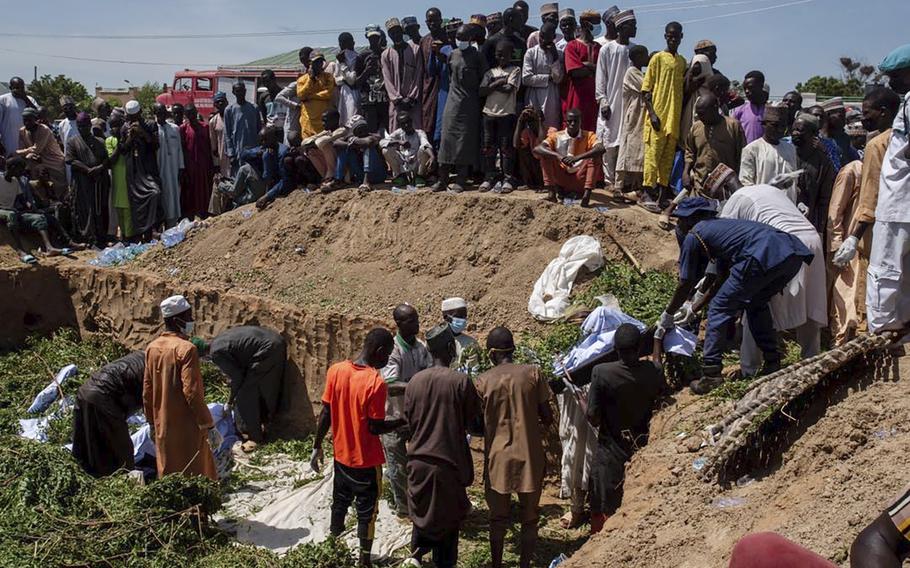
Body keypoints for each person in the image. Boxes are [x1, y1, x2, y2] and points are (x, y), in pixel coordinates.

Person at [655, 198, 813, 394]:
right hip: (790, 254)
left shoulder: (695, 234)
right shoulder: (722, 230)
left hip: (761, 254)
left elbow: (685, 282)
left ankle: (711, 373)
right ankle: (773, 361)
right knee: (756, 303)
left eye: (682, 220)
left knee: (719, 309)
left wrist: (668, 314)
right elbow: (721, 279)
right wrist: (693, 308)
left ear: (692, 219)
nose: (679, 224)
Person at [310, 327, 402, 568]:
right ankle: (364, 560)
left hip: (341, 456)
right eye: (388, 355)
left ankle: (333, 547)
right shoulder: (375, 382)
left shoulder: (336, 371)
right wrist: (402, 423)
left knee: (339, 502)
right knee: (367, 512)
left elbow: (326, 413)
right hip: (366, 461)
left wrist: (316, 446)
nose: (387, 360)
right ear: (380, 351)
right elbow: (375, 427)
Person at [720, 177, 827, 376]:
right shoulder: (769, 190)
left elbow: (726, 244)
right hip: (812, 238)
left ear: (725, 190)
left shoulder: (735, 199)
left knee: (757, 303)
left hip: (784, 242)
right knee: (811, 301)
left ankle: (749, 368)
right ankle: (811, 359)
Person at [401, 324, 481, 568]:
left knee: (422, 516)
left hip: (417, 464)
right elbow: (475, 425)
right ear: (450, 348)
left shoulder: (414, 382)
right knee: (448, 525)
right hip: (447, 464)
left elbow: (409, 424)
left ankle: (414, 556)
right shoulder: (460, 381)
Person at [474, 326, 553, 568]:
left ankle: (497, 564)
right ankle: (525, 565)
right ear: (513, 349)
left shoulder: (482, 382)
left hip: (498, 460)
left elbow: (477, 425)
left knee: (498, 518)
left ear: (492, 353)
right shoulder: (533, 374)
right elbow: (547, 417)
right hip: (530, 457)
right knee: (529, 518)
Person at [831, 87, 902, 337]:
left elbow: (870, 197)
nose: (864, 118)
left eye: (867, 113)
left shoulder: (877, 145)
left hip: (880, 229)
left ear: (883, 113)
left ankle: (869, 334)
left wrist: (854, 236)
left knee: (872, 287)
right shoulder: (903, 140)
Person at [587, 324, 665, 533]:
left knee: (603, 506)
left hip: (610, 451)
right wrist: (657, 341)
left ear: (616, 349)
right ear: (639, 348)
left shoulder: (602, 373)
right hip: (641, 449)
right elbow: (658, 367)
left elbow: (592, 418)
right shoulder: (653, 372)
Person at [143, 295, 217, 480]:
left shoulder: (152, 348)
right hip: (187, 425)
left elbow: (147, 390)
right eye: (189, 316)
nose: (191, 321)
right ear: (177, 320)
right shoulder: (186, 349)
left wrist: (152, 422)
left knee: (170, 472)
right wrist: (208, 424)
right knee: (196, 470)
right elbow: (191, 392)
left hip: (163, 423)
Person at [865, 44, 910, 335]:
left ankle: (882, 330)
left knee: (885, 267)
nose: (890, 82)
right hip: (901, 200)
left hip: (899, 201)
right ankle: (901, 324)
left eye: (895, 76)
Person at [380, 303, 432, 516]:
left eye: (417, 318)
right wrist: (418, 384)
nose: (417, 323)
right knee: (398, 466)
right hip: (394, 417)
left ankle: (415, 501)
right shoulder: (393, 350)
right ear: (399, 324)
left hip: (416, 416)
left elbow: (429, 371)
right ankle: (404, 509)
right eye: (411, 320)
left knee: (416, 463)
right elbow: (390, 385)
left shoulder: (420, 347)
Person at [207, 326, 286, 451]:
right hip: (275, 340)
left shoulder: (215, 354)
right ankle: (267, 421)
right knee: (262, 386)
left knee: (245, 395)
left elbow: (238, 377)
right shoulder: (218, 341)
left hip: (267, 349)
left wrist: (230, 400)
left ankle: (255, 437)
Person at [71, 351, 145, 477]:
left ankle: (84, 478)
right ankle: (126, 487)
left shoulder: (143, 357)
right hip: (103, 397)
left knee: (87, 444)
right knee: (121, 451)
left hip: (85, 392)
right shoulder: (155, 370)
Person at [433, 24, 487, 193]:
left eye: (464, 38)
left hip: (469, 104)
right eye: (458, 37)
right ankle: (442, 180)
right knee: (446, 141)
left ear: (470, 39)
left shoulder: (477, 57)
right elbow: (449, 76)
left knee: (464, 142)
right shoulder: (452, 55)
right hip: (452, 102)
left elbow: (485, 78)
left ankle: (461, 180)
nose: (460, 40)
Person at [642, 22, 687, 208]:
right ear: (665, 36)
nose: (673, 38)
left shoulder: (683, 61)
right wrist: (652, 113)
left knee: (667, 158)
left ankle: (661, 196)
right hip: (658, 115)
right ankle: (646, 193)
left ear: (681, 37)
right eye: (670, 35)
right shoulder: (657, 58)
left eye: (676, 35)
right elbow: (646, 89)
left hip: (673, 117)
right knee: (653, 155)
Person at [594, 9, 636, 189]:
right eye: (632, 25)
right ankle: (609, 181)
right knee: (609, 142)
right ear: (621, 27)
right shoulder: (607, 49)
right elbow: (601, 77)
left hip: (628, 103)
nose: (635, 28)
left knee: (625, 142)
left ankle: (622, 182)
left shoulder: (634, 50)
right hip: (610, 101)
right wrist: (602, 100)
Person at [827, 152, 864, 345]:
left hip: (869, 246)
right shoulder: (852, 171)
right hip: (849, 246)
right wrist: (837, 245)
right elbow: (836, 211)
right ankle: (840, 342)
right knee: (845, 295)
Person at [535, 107, 605, 207]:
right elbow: (538, 149)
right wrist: (559, 156)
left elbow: (601, 149)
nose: (572, 124)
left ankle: (586, 197)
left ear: (581, 121)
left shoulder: (589, 135)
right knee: (546, 155)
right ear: (565, 122)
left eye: (575, 121)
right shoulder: (556, 136)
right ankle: (551, 194)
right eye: (569, 121)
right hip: (561, 178)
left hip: (580, 179)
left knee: (595, 156)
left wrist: (578, 158)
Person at [0, 156, 65, 262]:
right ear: (12, 167)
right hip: (3, 211)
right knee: (11, 215)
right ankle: (21, 251)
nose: (22, 172)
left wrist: (32, 208)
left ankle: (49, 247)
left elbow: (21, 199)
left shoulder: (16, 182)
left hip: (11, 210)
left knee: (39, 218)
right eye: (20, 169)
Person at [681, 93, 746, 196]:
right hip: (699, 187)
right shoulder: (696, 127)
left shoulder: (733, 126)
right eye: (698, 114)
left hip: (725, 189)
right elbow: (690, 152)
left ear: (714, 108)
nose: (700, 117)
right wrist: (685, 173)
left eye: (702, 113)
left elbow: (742, 156)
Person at [479, 39, 521, 192]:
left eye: (504, 55)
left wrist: (492, 84)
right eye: (498, 55)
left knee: (506, 148)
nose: (501, 58)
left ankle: (508, 178)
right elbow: (482, 90)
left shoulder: (515, 70)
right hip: (489, 113)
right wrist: (498, 83)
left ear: (511, 55)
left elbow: (509, 88)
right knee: (488, 147)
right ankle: (489, 177)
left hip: (506, 113)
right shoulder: (490, 72)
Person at [65, 112, 110, 246]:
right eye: (79, 126)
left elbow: (107, 160)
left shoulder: (100, 141)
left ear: (89, 125)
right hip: (82, 181)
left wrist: (99, 168)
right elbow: (70, 160)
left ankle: (100, 237)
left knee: (99, 208)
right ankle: (87, 238)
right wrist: (87, 170)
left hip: (98, 181)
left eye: (85, 125)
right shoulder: (73, 141)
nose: (82, 128)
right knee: (84, 209)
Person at [120, 100, 162, 240]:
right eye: (131, 117)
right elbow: (123, 150)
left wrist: (143, 133)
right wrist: (130, 138)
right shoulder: (124, 128)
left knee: (154, 193)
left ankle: (152, 229)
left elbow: (156, 145)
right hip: (134, 170)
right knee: (136, 202)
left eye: (135, 117)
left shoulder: (150, 125)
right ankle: (140, 234)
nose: (133, 120)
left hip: (148, 168)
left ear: (140, 113)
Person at [791, 113, 836, 235]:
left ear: (813, 134)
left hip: (809, 225)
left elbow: (824, 199)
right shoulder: (786, 154)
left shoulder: (823, 162)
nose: (795, 133)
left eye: (800, 130)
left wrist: (820, 231)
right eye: (794, 129)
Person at [615, 45, 650, 202]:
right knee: (628, 148)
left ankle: (634, 187)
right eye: (645, 55)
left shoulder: (638, 72)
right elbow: (647, 87)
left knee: (638, 151)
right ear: (637, 58)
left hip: (641, 117)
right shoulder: (632, 73)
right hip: (633, 116)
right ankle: (618, 186)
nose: (647, 58)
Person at [739, 105, 797, 187]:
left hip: (786, 199)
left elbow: (793, 180)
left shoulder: (790, 148)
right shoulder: (751, 149)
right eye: (775, 125)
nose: (780, 129)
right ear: (764, 124)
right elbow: (746, 182)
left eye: (783, 126)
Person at [382, 19, 423, 133]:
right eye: (392, 33)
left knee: (416, 131)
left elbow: (418, 75)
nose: (395, 35)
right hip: (397, 103)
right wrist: (397, 100)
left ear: (402, 31)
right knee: (396, 132)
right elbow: (387, 79)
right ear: (389, 35)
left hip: (412, 102)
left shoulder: (415, 49)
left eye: (397, 31)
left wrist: (411, 98)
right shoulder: (386, 54)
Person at [563, 10, 601, 132]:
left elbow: (604, 71)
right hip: (577, 96)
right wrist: (594, 68)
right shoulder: (572, 46)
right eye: (595, 23)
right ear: (585, 24)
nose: (598, 27)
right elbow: (575, 71)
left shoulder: (599, 47)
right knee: (576, 129)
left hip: (596, 97)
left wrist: (587, 65)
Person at [522, 22, 564, 131]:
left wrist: (554, 57)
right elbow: (526, 79)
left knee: (551, 130)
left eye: (547, 38)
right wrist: (549, 78)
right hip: (534, 96)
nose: (543, 41)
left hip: (551, 97)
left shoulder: (558, 54)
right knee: (533, 130)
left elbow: (558, 78)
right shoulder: (531, 53)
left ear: (553, 38)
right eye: (541, 37)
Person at [232, 126, 289, 207]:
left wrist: (268, 196)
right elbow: (243, 154)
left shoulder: (282, 153)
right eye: (261, 140)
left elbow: (284, 180)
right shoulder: (265, 149)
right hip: (264, 181)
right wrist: (257, 153)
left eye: (265, 139)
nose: (262, 142)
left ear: (274, 138)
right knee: (244, 169)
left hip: (275, 186)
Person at [17, 107, 67, 196]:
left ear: (36, 120)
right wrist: (27, 153)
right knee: (38, 188)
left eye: (29, 120)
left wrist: (24, 152)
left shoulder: (44, 129)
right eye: (25, 120)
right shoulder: (22, 131)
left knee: (60, 190)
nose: (27, 123)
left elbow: (36, 149)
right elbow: (20, 149)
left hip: (53, 161)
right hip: (35, 162)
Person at [178, 104, 214, 221]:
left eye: (193, 113)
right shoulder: (183, 129)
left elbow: (210, 147)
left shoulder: (205, 127)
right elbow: (182, 149)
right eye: (188, 114)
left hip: (203, 167)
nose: (191, 116)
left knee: (203, 192)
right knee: (190, 194)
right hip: (190, 167)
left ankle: (203, 215)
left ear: (196, 113)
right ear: (186, 115)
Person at [381, 111, 434, 187]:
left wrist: (432, 156)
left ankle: (419, 176)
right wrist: (398, 142)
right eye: (403, 124)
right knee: (385, 150)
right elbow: (382, 142)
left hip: (416, 163)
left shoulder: (419, 133)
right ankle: (400, 176)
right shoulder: (398, 133)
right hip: (403, 164)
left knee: (424, 150)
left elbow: (425, 144)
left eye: (408, 122)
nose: (406, 125)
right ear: (400, 125)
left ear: (411, 121)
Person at [153, 103, 184, 228]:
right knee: (161, 199)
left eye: (162, 112)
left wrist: (181, 168)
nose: (161, 115)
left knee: (173, 199)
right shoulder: (153, 130)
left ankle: (171, 227)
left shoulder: (175, 128)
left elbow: (180, 150)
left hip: (173, 171)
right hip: (159, 171)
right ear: (155, 113)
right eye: (158, 112)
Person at [302, 109, 348, 191]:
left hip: (343, 168)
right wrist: (313, 142)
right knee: (310, 151)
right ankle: (326, 177)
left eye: (325, 121)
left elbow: (321, 142)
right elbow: (304, 143)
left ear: (335, 120)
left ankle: (334, 178)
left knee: (326, 145)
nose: (323, 124)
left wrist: (314, 142)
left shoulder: (342, 130)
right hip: (331, 165)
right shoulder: (327, 132)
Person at [357, 25, 391, 136]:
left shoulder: (387, 53)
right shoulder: (362, 56)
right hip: (369, 102)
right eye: (371, 38)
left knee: (390, 132)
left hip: (386, 100)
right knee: (372, 133)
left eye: (376, 37)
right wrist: (367, 71)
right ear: (366, 37)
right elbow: (356, 83)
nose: (374, 40)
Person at [105, 111, 134, 240]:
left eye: (117, 125)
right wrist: (120, 142)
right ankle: (123, 234)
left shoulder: (129, 138)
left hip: (128, 178)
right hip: (117, 179)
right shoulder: (109, 141)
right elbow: (112, 159)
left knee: (128, 208)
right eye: (111, 126)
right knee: (119, 208)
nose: (114, 129)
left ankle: (129, 235)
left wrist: (125, 139)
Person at [420, 8, 447, 142]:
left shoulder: (448, 38)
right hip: (429, 88)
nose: (432, 24)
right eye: (429, 21)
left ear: (441, 20)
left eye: (435, 20)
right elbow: (422, 69)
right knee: (428, 124)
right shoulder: (424, 41)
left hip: (445, 88)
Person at [224, 81, 262, 177]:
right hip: (237, 150)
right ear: (233, 92)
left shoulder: (254, 108)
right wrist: (231, 153)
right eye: (237, 91)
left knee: (253, 177)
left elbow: (259, 130)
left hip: (253, 150)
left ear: (245, 91)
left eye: (242, 90)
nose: (240, 93)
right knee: (238, 178)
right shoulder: (229, 110)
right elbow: (227, 133)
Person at [297, 52, 335, 140]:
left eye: (321, 62)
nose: (319, 64)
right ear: (310, 63)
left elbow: (328, 93)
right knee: (309, 148)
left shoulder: (328, 77)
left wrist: (311, 96)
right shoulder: (302, 79)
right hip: (308, 120)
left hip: (323, 122)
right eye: (316, 62)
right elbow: (301, 95)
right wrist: (311, 79)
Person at [208, 93, 233, 215]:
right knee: (219, 186)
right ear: (215, 105)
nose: (220, 104)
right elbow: (213, 146)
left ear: (227, 102)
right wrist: (216, 164)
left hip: (233, 158)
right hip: (221, 159)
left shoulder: (233, 117)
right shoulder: (213, 122)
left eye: (222, 101)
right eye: (218, 102)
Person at [0, 77, 37, 157]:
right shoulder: (3, 100)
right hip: (8, 141)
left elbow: (38, 115)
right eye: (17, 88)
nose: (20, 90)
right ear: (10, 88)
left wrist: (25, 98)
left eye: (22, 87)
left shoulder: (30, 99)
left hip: (28, 143)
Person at [820, 96, 861, 166]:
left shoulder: (844, 138)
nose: (844, 119)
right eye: (840, 116)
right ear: (828, 115)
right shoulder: (819, 139)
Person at [440, 297, 478, 372]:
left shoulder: (471, 343)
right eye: (459, 316)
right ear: (446, 318)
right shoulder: (436, 342)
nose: (463, 320)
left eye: (464, 316)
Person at [514, 106, 547, 190]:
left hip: (548, 171)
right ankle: (529, 183)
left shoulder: (551, 131)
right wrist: (520, 121)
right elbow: (516, 145)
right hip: (535, 169)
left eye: (533, 120)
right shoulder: (528, 132)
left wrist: (539, 120)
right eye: (529, 121)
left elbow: (542, 142)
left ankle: (544, 184)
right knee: (523, 151)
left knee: (543, 154)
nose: (531, 123)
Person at [334, 33, 362, 126]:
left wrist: (343, 63)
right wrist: (344, 79)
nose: (342, 46)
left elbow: (352, 80)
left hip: (354, 92)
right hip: (343, 92)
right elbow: (336, 80)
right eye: (341, 43)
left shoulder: (357, 58)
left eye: (345, 43)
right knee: (343, 121)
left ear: (353, 43)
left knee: (353, 119)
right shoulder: (339, 58)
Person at [732, 70, 767, 144]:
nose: (747, 91)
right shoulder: (739, 111)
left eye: (750, 87)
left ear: (761, 86)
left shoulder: (770, 110)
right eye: (745, 88)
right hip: (746, 153)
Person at [806, 104, 843, 172]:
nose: (819, 118)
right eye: (815, 115)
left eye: (821, 116)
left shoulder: (829, 144)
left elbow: (836, 168)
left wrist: (824, 151)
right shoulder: (793, 141)